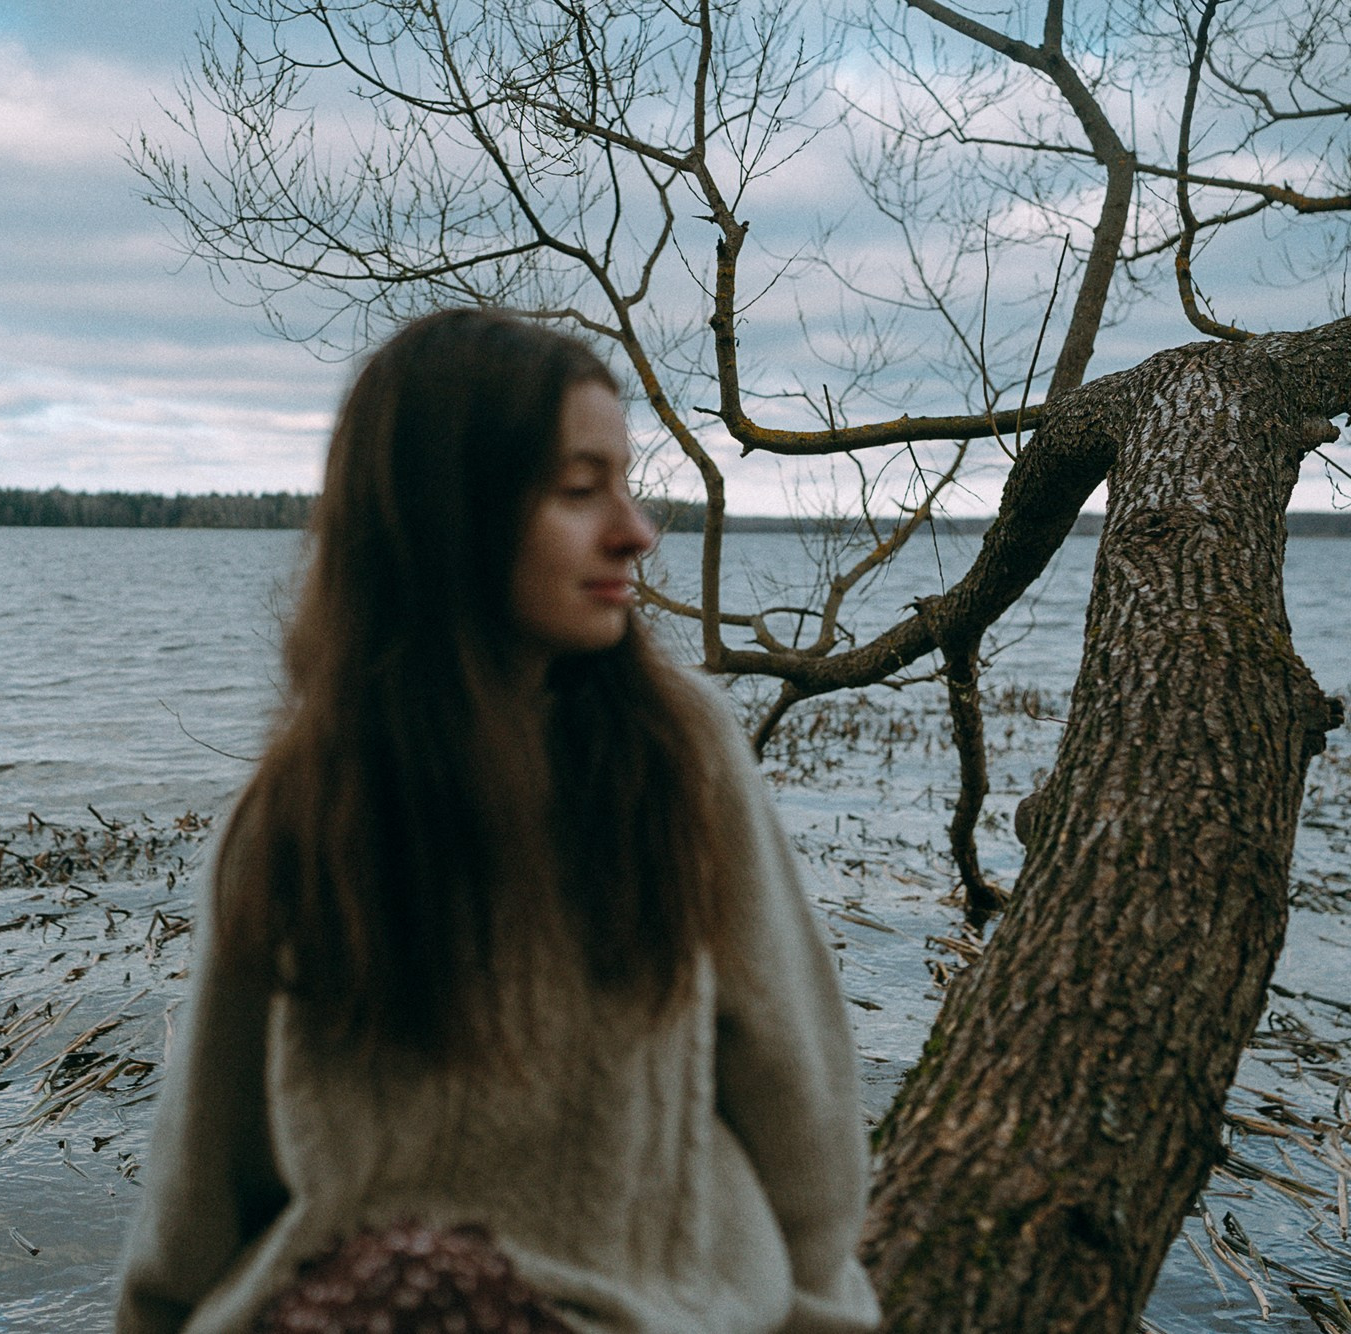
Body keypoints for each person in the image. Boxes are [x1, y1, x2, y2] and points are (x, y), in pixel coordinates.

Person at [115, 308, 880, 1334]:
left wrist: (828, 1314)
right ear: (447, 513)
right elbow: (206, 1175)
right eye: (578, 489)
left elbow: (799, 1102)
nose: (634, 529)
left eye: (623, 480)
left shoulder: (674, 752)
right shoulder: (302, 810)